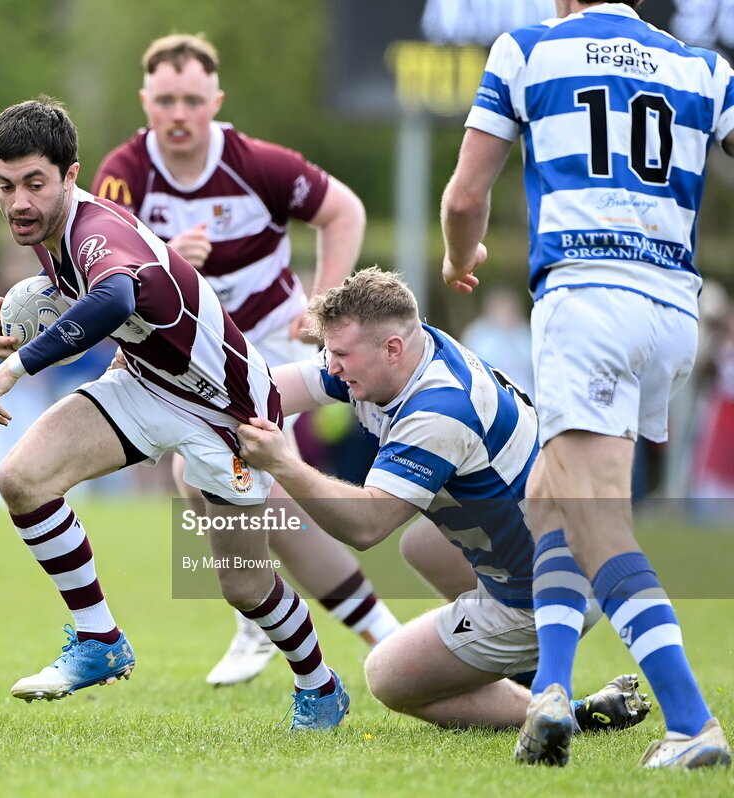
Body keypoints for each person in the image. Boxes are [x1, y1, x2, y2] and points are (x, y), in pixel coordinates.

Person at [0, 96, 348, 730]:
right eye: (4, 186)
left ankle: (321, 684)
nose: (19, 202)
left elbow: (115, 296)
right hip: (145, 383)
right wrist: (10, 319)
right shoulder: (45, 230)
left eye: (35, 183)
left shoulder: (94, 231)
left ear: (70, 174)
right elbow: (91, 308)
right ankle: (100, 640)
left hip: (226, 414)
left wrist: (12, 369)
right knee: (21, 480)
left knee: (245, 588)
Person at [440, 0, 733, 768]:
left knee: (601, 521)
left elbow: (466, 197)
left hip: (588, 303)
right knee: (548, 499)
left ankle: (691, 722)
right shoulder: (702, 66)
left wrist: (457, 258)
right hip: (673, 310)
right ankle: (553, 693)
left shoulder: (529, 48)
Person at [91, 33, 405, 686]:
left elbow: (343, 211)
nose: (179, 114)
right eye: (167, 100)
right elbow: (107, 276)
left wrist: (325, 299)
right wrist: (166, 259)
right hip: (186, 360)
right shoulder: (123, 173)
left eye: (193, 100)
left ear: (216, 102)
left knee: (235, 478)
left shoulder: (254, 163)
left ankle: (331, 627)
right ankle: (289, 620)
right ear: (145, 101)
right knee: (208, 481)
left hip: (265, 346)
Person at [236, 267, 651, 735]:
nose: (331, 366)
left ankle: (563, 712)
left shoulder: (438, 409)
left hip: (547, 591)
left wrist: (284, 464)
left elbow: (366, 526)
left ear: (391, 348)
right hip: (566, 545)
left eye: (341, 355)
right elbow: (264, 389)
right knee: (421, 544)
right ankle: (523, 671)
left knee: (388, 676)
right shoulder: (404, 355)